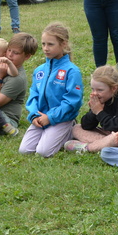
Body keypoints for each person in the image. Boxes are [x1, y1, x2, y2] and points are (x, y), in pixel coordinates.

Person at [19, 23, 84, 158]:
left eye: (50, 44)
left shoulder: (71, 71)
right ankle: (49, 133)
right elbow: (34, 94)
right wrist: (34, 114)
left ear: (63, 44)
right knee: (25, 150)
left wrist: (51, 117)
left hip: (60, 118)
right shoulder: (39, 70)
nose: (45, 48)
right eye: (43, 44)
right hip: (40, 117)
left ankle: (70, 128)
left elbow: (73, 101)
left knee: (43, 152)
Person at [63, 66, 118, 153]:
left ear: (114, 88)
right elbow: (86, 126)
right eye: (93, 89)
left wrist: (99, 112)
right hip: (109, 135)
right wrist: (94, 111)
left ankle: (88, 148)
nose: (95, 93)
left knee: (115, 137)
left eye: (100, 90)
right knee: (76, 128)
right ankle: (105, 144)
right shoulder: (103, 98)